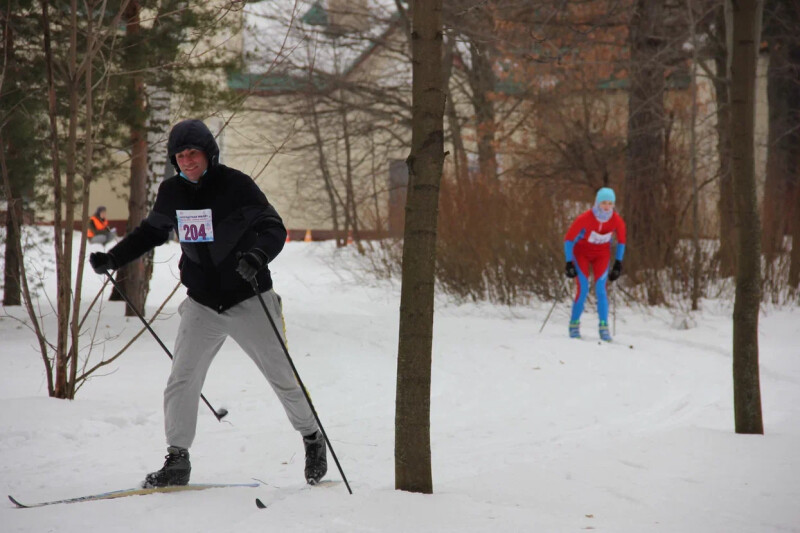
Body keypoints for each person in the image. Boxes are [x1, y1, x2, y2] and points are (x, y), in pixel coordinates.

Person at [88, 119, 327, 488]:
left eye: (193, 153)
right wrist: (114, 259)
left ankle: (312, 437)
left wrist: (258, 256)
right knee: (182, 379)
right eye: (180, 156)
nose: (187, 161)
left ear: (208, 154)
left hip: (249, 297)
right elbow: (151, 232)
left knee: (281, 376)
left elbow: (273, 227)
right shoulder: (172, 192)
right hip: (201, 303)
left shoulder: (237, 185)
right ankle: (177, 458)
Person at [563, 187, 627, 341]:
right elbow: (569, 238)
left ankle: (604, 327)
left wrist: (618, 263)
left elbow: (622, 241)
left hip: (601, 256)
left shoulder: (616, 220)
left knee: (601, 289)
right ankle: (574, 324)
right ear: (597, 203)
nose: (607, 206)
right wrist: (568, 262)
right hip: (582, 254)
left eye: (610, 203)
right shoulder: (585, 218)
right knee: (583, 288)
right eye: (604, 202)